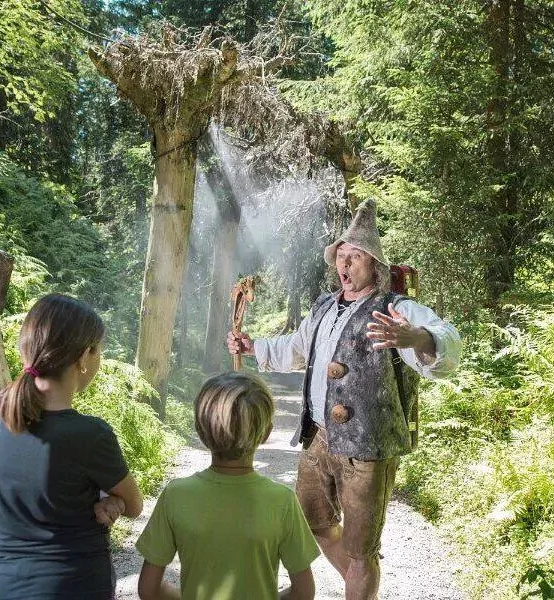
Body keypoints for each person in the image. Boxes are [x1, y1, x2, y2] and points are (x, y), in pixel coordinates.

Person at [227, 199, 462, 600]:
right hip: (320, 436)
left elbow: (448, 339)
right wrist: (253, 346)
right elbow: (299, 347)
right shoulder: (325, 306)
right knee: (312, 519)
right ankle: (361, 588)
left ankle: (359, 583)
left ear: (375, 265)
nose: (345, 263)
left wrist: (416, 337)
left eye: (356, 256)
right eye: (341, 255)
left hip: (368, 446)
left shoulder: (395, 308)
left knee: (361, 550)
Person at [0, 293, 143, 600]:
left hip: (4, 587)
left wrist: (110, 499)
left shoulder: (5, 422)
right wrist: (116, 501)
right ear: (83, 357)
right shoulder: (90, 435)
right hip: (73, 586)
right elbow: (135, 505)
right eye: (98, 351)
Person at [136, 372, 319, 600]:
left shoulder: (175, 495)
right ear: (266, 433)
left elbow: (149, 590)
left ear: (200, 430)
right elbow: (304, 593)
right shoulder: (282, 500)